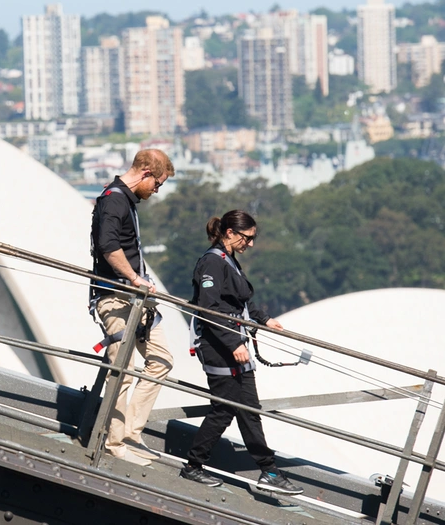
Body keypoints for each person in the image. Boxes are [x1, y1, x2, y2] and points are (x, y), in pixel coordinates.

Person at [179, 210, 303, 494]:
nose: (251, 244)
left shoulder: (228, 261)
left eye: (253, 238)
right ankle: (193, 466)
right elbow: (209, 310)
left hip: (234, 343)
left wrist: (263, 319)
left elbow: (236, 302)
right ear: (230, 233)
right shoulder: (212, 262)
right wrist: (233, 343)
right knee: (225, 408)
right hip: (219, 346)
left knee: (249, 409)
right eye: (247, 238)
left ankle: (269, 471)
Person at [90, 149, 175, 466]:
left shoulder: (125, 200)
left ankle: (129, 433)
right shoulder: (113, 199)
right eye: (158, 184)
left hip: (135, 298)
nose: (157, 191)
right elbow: (108, 246)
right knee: (123, 369)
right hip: (115, 297)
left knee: (161, 360)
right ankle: (115, 443)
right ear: (146, 173)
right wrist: (133, 278)